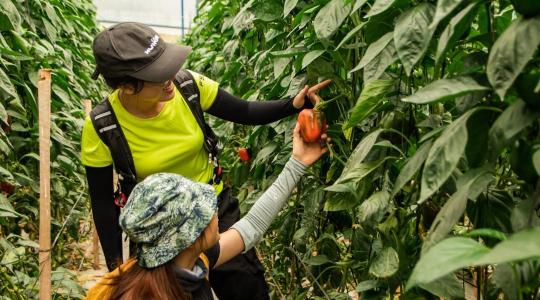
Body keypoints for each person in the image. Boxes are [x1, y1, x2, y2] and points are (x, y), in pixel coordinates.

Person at [81, 22, 331, 299]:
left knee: (246, 286)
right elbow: (103, 203)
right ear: (127, 86)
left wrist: (292, 106)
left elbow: (244, 111)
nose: (171, 75)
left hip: (211, 205)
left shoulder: (186, 87)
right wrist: (117, 270)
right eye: (159, 73)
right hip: (160, 228)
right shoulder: (103, 126)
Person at [84, 122, 329, 300]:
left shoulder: (179, 264)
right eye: (207, 212)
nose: (216, 214)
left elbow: (251, 228)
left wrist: (298, 162)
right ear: (188, 238)